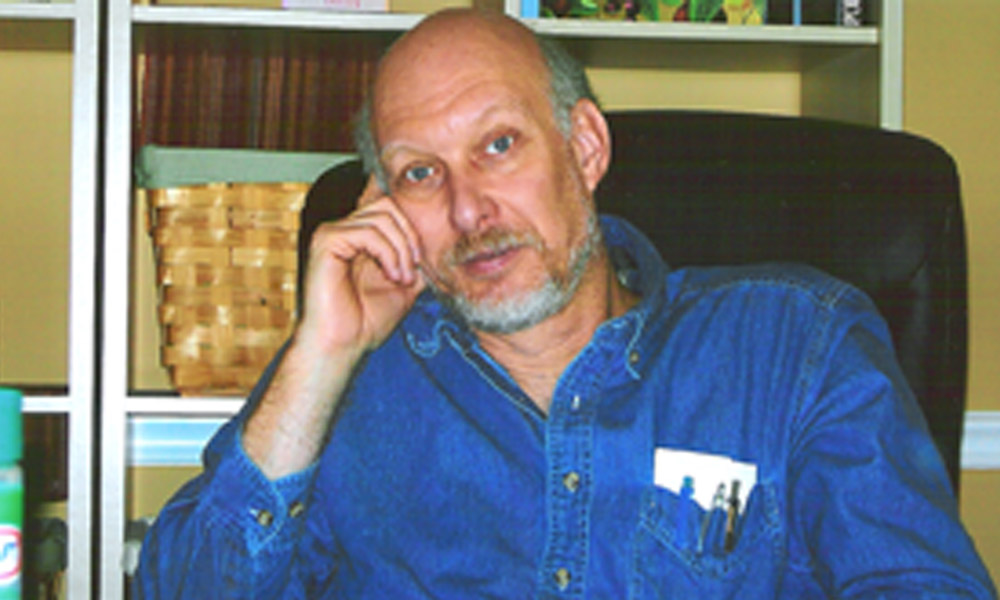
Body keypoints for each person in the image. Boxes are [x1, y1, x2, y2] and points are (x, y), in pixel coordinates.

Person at [135, 8, 997, 599]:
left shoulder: (791, 347)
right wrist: (319, 358)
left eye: (498, 145)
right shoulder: (355, 390)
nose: (469, 212)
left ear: (584, 146)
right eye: (420, 174)